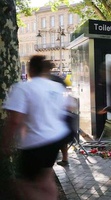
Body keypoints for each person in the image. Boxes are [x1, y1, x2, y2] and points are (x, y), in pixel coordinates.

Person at [0, 55, 71, 199]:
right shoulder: (56, 87)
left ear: (31, 69)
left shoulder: (23, 88)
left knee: (24, 184)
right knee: (46, 177)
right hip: (55, 139)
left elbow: (15, 120)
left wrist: (5, 143)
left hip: (35, 142)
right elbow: (68, 107)